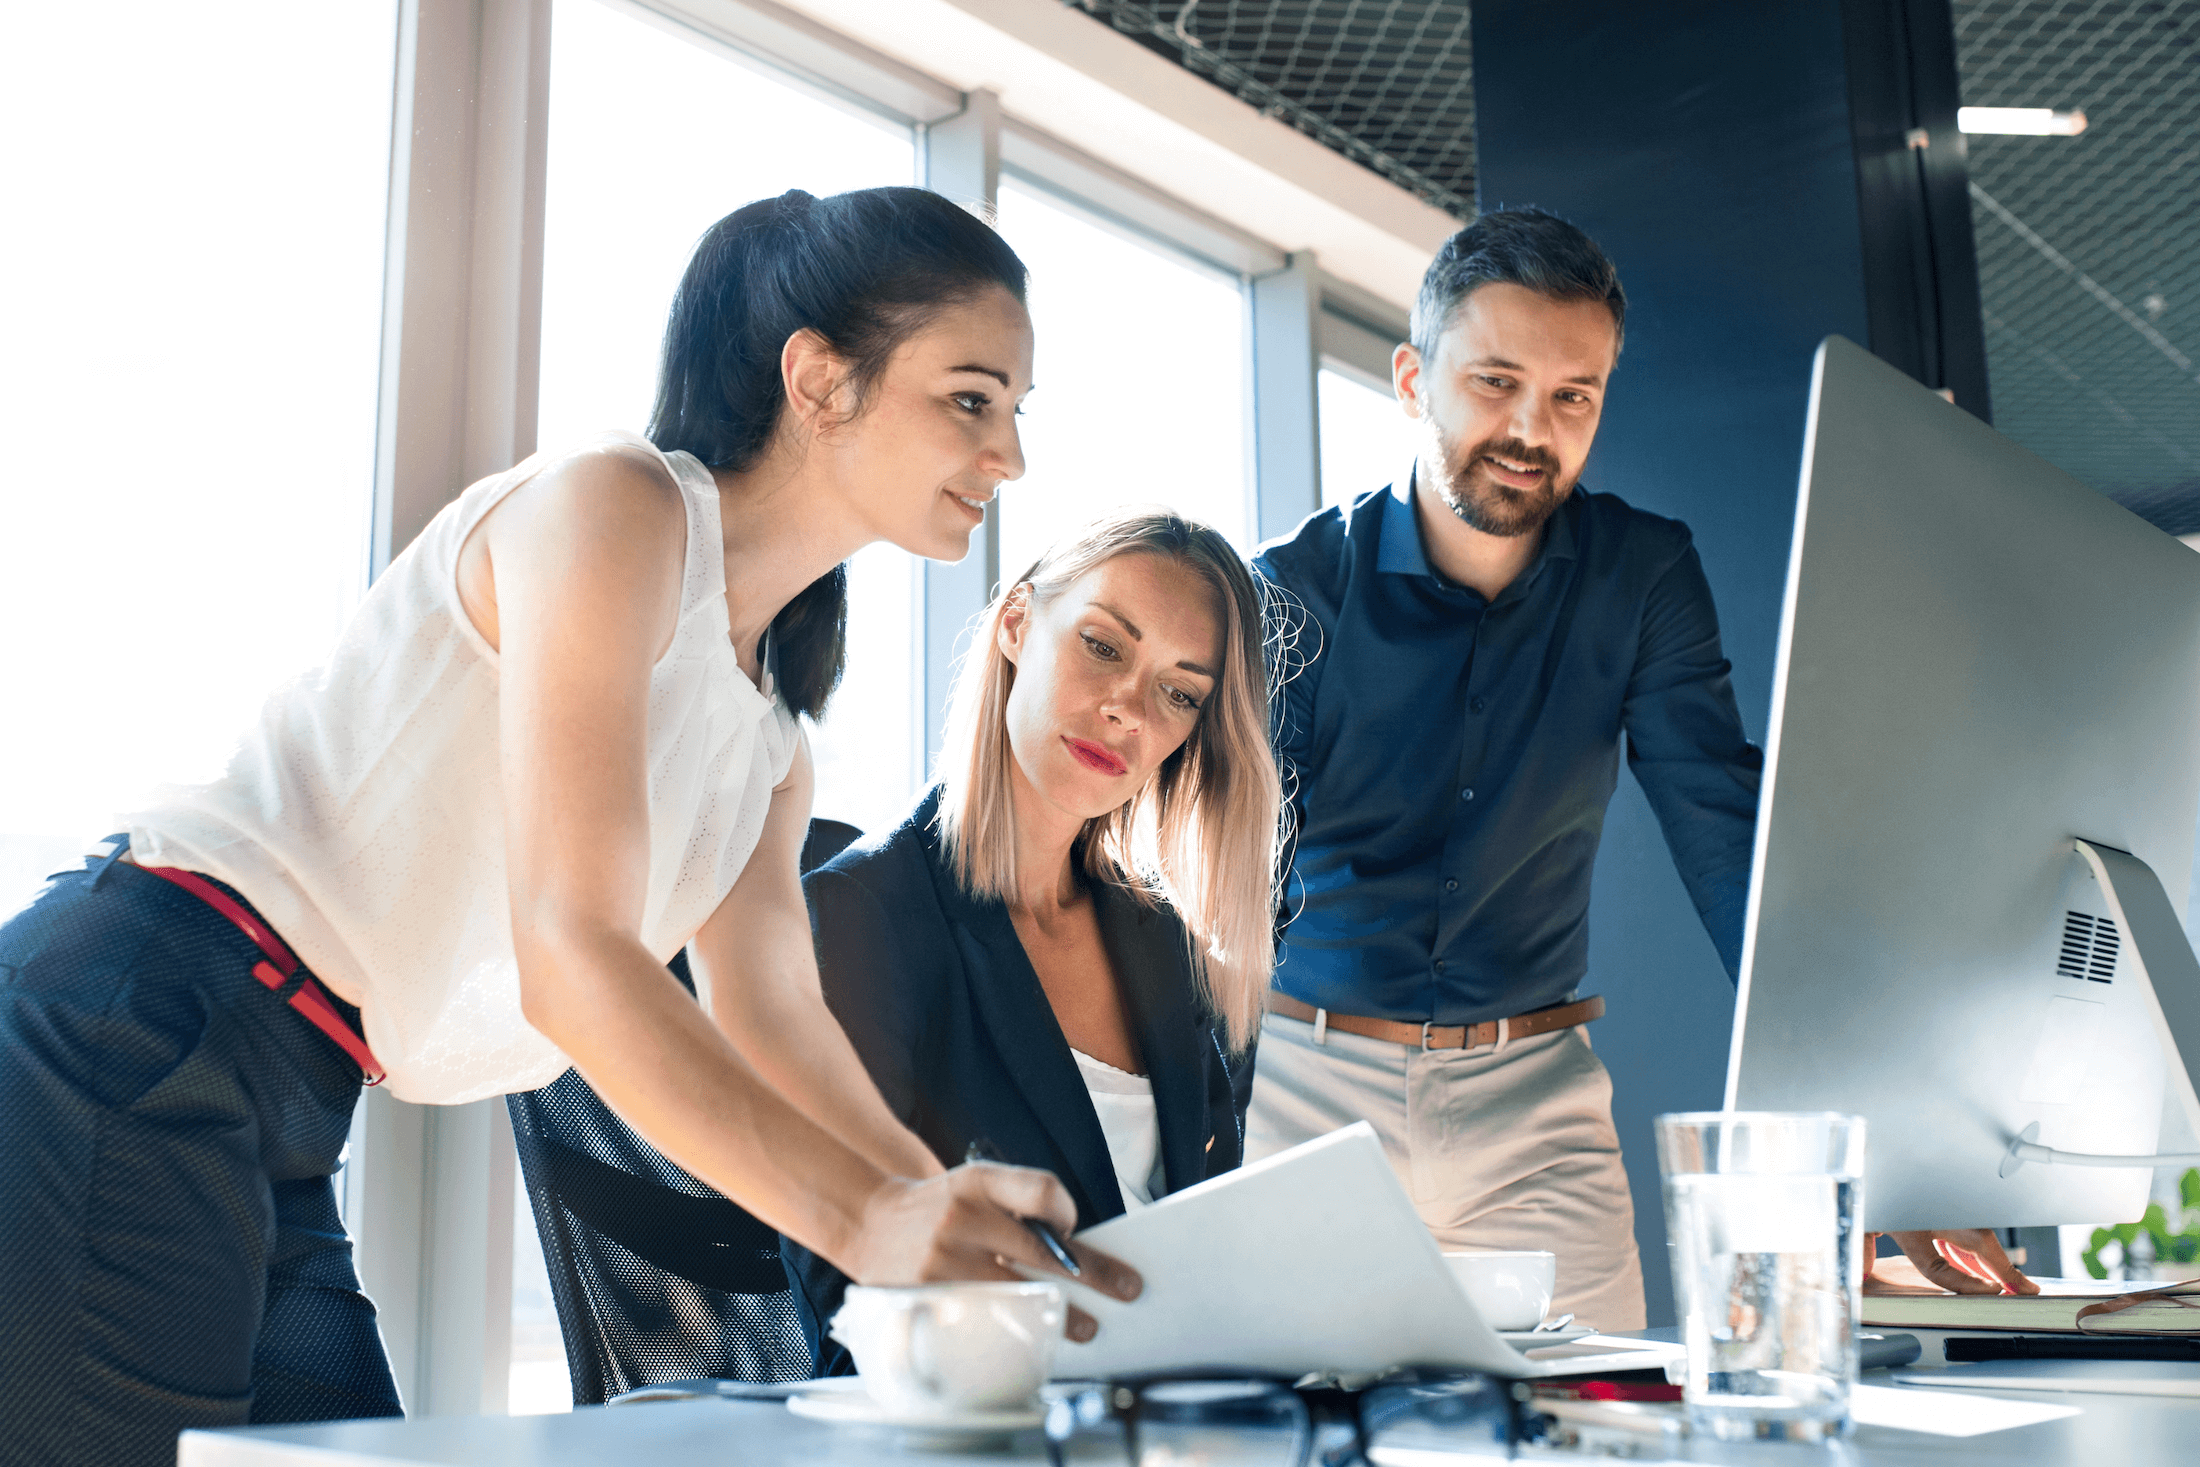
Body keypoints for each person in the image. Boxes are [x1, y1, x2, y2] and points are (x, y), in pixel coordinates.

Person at [0, 186, 1140, 1467]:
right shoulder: (616, 505)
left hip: (295, 1090)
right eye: (971, 400)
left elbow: (776, 1022)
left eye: (1015, 415)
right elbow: (571, 951)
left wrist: (933, 1212)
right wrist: (871, 1222)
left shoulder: (771, 743)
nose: (1009, 460)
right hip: (143, 1016)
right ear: (820, 381)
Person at [1249, 208, 2035, 1330]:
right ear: (1413, 378)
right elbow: (1235, 875)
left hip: (1533, 1099)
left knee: (1609, 1430)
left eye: (1574, 396)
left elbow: (1725, 836)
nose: (1532, 428)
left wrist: (1882, 1128)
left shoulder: (1644, 572)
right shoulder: (1288, 586)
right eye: (1495, 382)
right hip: (1301, 1086)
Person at [782, 508, 1281, 1372]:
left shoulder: (1165, 944)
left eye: (1178, 692)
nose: (1128, 709)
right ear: (1017, 622)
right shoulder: (862, 915)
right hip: (985, 1419)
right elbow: (847, 1298)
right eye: (1103, 645)